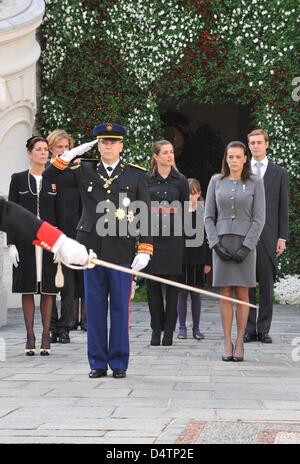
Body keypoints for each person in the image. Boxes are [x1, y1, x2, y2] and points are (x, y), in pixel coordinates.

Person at [43, 122, 153, 378]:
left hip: (122, 247)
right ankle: (97, 362)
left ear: (121, 146)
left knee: (119, 308)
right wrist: (69, 155)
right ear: (98, 145)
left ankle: (118, 362)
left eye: (113, 142)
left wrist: (144, 248)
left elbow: (143, 214)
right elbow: (50, 175)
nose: (108, 146)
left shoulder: (135, 175)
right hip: (90, 248)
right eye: (104, 142)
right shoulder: (84, 170)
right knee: (94, 307)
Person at [6, 136, 88, 356]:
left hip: (50, 241)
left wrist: (61, 244)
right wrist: (10, 244)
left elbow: (60, 213)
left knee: (48, 290)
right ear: (30, 153)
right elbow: (11, 212)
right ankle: (30, 336)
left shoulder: (55, 178)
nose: (43, 153)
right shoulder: (18, 179)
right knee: (27, 288)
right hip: (24, 242)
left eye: (45, 150)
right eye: (39, 150)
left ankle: (45, 337)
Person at [204, 141, 265, 362]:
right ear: (226, 158)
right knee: (225, 293)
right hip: (221, 243)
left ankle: (240, 342)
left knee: (242, 293)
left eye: (238, 157)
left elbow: (259, 219)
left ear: (245, 158)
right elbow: (208, 216)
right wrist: (214, 244)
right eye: (230, 157)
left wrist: (247, 246)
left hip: (245, 246)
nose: (234, 161)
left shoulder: (255, 182)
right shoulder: (215, 181)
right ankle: (226, 341)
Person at [245, 129, 289, 343]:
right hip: (245, 236)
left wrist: (282, 237)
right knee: (247, 285)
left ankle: (263, 330)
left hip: (269, 237)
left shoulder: (279, 173)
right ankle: (249, 329)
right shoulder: (242, 170)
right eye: (252, 143)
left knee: (266, 287)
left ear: (267, 144)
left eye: (259, 142)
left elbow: (283, 207)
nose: (255, 146)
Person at [144, 140, 189, 346]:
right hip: (151, 237)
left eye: (172, 152)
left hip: (173, 239)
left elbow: (185, 210)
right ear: (156, 156)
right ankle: (156, 328)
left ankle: (169, 330)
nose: (170, 156)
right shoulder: (145, 180)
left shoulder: (180, 181)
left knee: (172, 287)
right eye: (165, 152)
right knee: (152, 286)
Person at [47, 129, 85, 343]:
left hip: (71, 237)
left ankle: (65, 327)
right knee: (50, 284)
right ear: (51, 148)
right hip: (49, 236)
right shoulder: (46, 173)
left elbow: (82, 208)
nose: (63, 151)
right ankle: (51, 326)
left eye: (66, 147)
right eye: (59, 147)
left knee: (68, 285)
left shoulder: (75, 174)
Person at [177, 178, 211, 340]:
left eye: (194, 194)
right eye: (188, 194)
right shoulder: (178, 211)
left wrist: (208, 262)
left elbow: (209, 238)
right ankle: (182, 327)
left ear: (199, 194)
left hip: (198, 258)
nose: (191, 197)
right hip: (182, 258)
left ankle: (196, 328)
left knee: (196, 294)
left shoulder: (204, 212)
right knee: (182, 293)